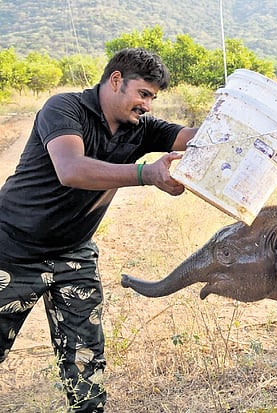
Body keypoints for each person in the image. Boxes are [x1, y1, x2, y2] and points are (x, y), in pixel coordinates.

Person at [0, 48, 199, 412]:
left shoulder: (140, 128)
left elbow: (194, 138)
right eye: (143, 93)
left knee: (86, 365)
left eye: (153, 98)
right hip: (12, 249)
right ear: (116, 80)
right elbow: (71, 169)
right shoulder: (64, 108)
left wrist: (239, 126)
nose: (147, 105)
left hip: (74, 255)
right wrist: (147, 174)